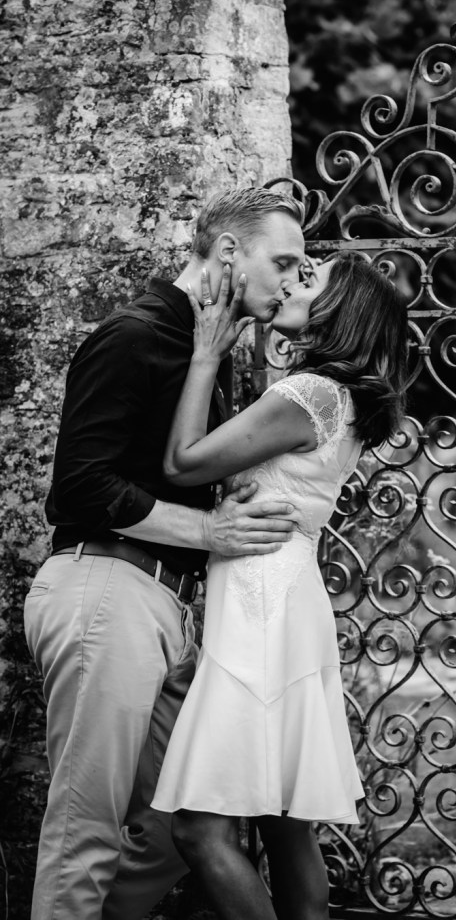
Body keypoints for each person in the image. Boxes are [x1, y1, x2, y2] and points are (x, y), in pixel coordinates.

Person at [23, 187, 308, 920]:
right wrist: (209, 532)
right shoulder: (134, 335)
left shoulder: (207, 349)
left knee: (177, 832)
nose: (292, 280)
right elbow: (83, 484)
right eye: (282, 262)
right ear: (227, 251)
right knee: (84, 831)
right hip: (105, 588)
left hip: (169, 609)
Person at [151, 251, 409, 920]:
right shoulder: (335, 397)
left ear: (340, 309)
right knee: (285, 819)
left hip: (261, 604)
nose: (293, 281)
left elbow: (182, 462)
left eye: (310, 279)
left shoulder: (311, 394)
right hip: (283, 592)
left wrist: (206, 354)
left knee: (198, 830)